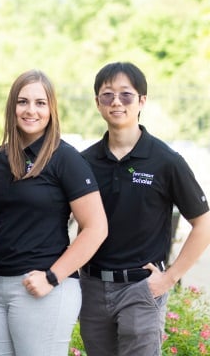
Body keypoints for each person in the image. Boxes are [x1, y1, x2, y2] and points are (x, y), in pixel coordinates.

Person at [0, 70, 108, 356]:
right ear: (12, 107)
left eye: (40, 103)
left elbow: (96, 227)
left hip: (44, 288)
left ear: (51, 109)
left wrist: (52, 277)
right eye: (23, 102)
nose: (31, 110)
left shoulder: (65, 158)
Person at [79, 61, 210, 355]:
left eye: (126, 95)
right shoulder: (83, 162)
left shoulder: (166, 161)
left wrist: (170, 277)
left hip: (141, 289)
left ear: (142, 101)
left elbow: (204, 224)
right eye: (107, 95)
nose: (116, 102)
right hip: (92, 288)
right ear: (97, 102)